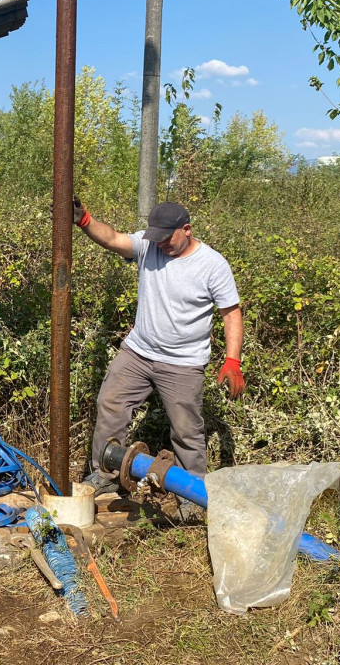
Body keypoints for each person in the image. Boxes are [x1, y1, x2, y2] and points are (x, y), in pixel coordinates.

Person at [73, 199, 244, 498]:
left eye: (167, 238)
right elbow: (113, 238)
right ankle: (106, 474)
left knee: (186, 430)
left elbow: (231, 313)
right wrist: (85, 220)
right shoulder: (149, 245)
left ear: (187, 230)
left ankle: (191, 494)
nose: (161, 244)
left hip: (183, 362)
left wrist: (232, 360)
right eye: (157, 238)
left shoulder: (213, 265)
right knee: (110, 404)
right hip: (138, 352)